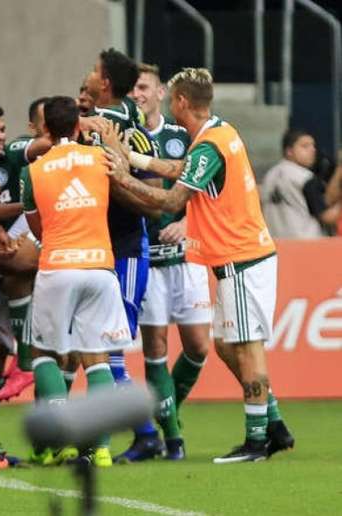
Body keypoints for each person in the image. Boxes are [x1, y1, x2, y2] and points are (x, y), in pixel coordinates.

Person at [105, 67, 295, 463]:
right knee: (227, 346)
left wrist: (123, 178)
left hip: (241, 258)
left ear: (180, 102)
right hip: (237, 257)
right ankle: (273, 422)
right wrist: (136, 156)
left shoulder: (209, 145)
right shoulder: (219, 132)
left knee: (247, 347)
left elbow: (173, 201)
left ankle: (257, 440)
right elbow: (181, 169)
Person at [21, 96, 130, 468]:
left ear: (46, 129)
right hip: (101, 266)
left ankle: (64, 443)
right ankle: (99, 448)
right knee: (97, 355)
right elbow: (126, 173)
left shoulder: (33, 170)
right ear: (79, 126)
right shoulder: (101, 160)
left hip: (58, 265)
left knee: (46, 354)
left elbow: (36, 226)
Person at [81, 48, 164, 462]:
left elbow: (97, 124)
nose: (89, 78)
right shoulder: (125, 112)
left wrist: (75, 118)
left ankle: (143, 434)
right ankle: (138, 434)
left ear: (106, 84)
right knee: (99, 348)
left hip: (127, 250)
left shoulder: (109, 121)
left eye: (94, 73)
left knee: (110, 349)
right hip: (103, 247)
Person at [130, 63, 211, 459]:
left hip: (188, 254)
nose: (138, 94)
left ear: (161, 92)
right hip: (148, 259)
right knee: (156, 346)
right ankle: (173, 438)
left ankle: (167, 410)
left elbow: (209, 188)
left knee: (198, 345)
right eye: (133, 89)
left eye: (144, 87)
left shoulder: (183, 136)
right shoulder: (122, 139)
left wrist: (188, 223)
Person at [260, 129, 339, 238]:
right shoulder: (304, 177)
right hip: (306, 245)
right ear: (289, 151)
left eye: (313, 146)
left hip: (275, 244)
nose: (312, 150)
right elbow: (327, 216)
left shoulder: (269, 176)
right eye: (305, 146)